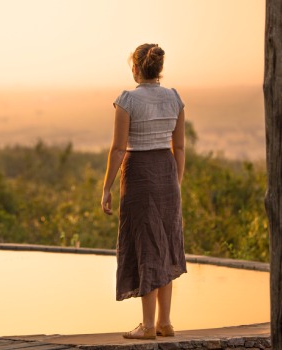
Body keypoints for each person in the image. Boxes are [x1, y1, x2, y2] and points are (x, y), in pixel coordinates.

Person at [101, 43, 187, 340]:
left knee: (147, 247)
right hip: (167, 173)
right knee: (165, 245)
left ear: (136, 69)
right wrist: (175, 183)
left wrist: (106, 188)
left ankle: (148, 325)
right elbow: (180, 147)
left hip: (138, 174)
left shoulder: (128, 100)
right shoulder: (174, 98)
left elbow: (118, 148)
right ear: (158, 69)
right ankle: (165, 322)